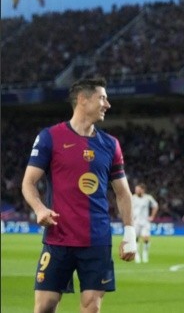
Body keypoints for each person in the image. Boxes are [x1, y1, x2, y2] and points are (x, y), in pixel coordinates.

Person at [20, 76, 137, 313]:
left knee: (91, 307)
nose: (108, 104)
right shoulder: (50, 137)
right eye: (102, 98)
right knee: (44, 306)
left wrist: (130, 233)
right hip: (58, 238)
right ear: (83, 100)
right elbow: (28, 183)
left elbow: (123, 193)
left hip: (97, 240)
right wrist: (40, 208)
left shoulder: (110, 144)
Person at [131, 183, 158, 263]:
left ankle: (145, 252)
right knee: (136, 238)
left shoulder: (148, 198)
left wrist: (152, 216)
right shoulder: (133, 198)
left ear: (142, 190)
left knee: (146, 238)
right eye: (136, 189)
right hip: (135, 221)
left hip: (145, 221)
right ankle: (137, 254)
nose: (136, 191)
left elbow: (155, 206)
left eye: (138, 189)